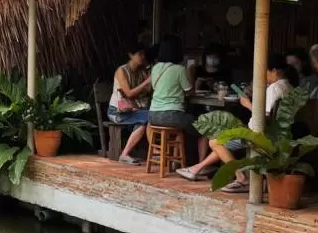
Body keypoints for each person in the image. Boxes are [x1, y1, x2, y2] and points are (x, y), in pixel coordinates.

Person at [176, 54, 298, 192]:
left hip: (259, 135)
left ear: (274, 71)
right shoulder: (288, 86)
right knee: (222, 141)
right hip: (275, 134)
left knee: (215, 142)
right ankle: (197, 168)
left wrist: (247, 104)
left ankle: (241, 178)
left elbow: (265, 117)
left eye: (264, 71)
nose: (261, 75)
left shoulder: (274, 88)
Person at [108, 42, 151, 164]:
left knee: (143, 123)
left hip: (135, 111)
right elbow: (129, 94)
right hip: (117, 112)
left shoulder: (141, 71)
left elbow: (147, 92)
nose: (142, 57)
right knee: (149, 116)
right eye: (139, 54)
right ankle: (155, 151)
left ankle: (125, 154)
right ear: (130, 55)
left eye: (143, 54)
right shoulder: (121, 71)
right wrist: (146, 82)